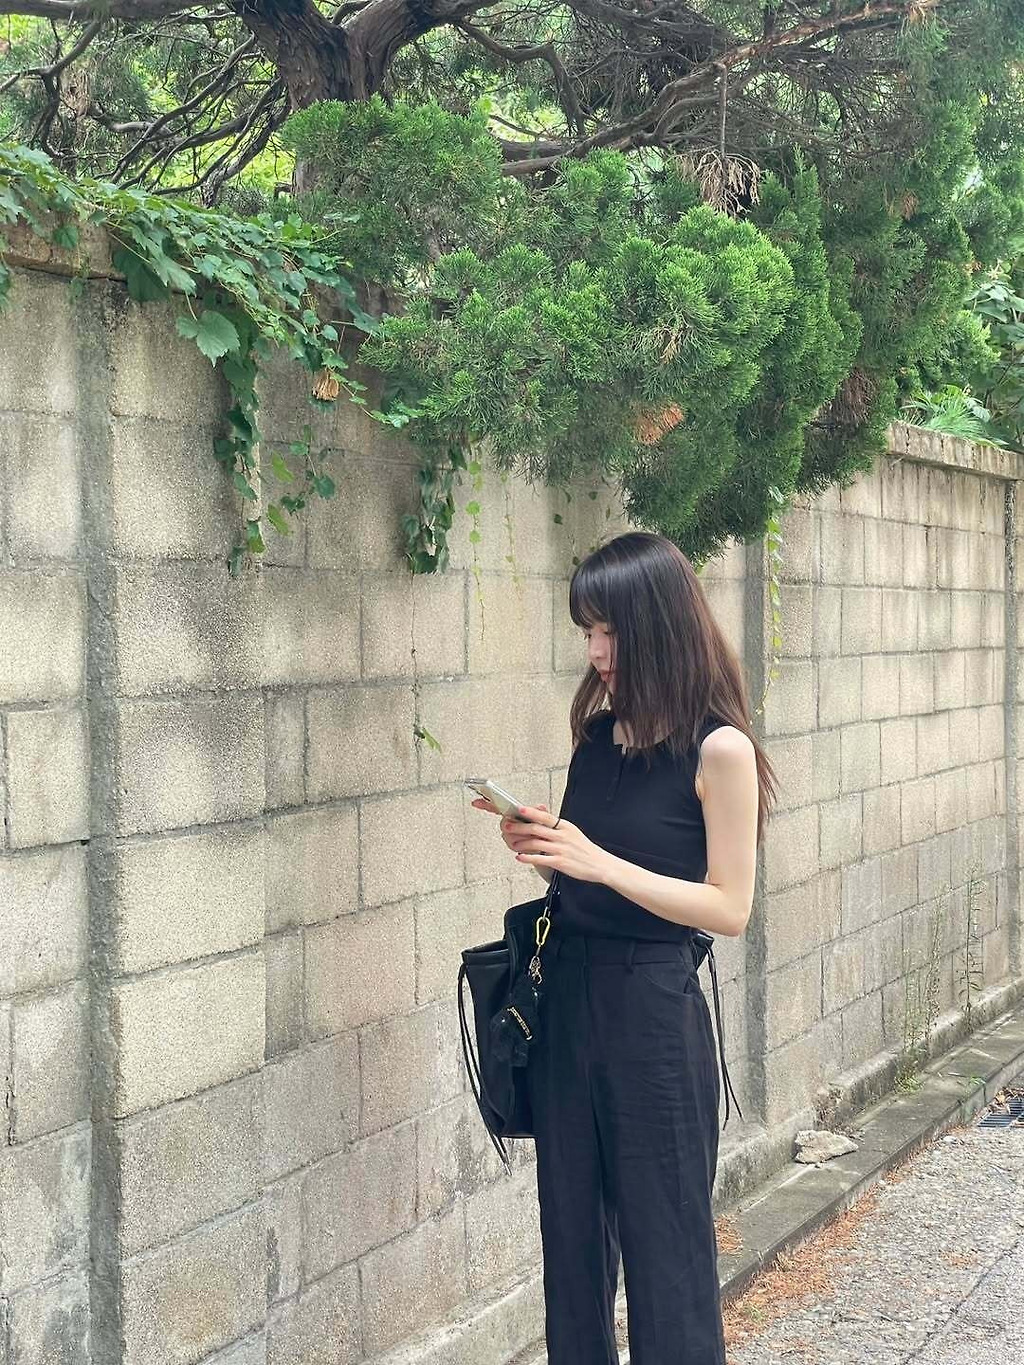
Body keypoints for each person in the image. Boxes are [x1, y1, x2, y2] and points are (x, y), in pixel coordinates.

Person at [470, 530, 774, 1365]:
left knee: (668, 1254)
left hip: (653, 1013)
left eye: (609, 630)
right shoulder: (596, 737)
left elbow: (729, 906)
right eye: (587, 631)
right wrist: (543, 849)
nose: (596, 651)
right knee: (571, 1251)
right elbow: (587, 882)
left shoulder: (720, 749)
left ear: (658, 625)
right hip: (569, 1005)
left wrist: (599, 860)